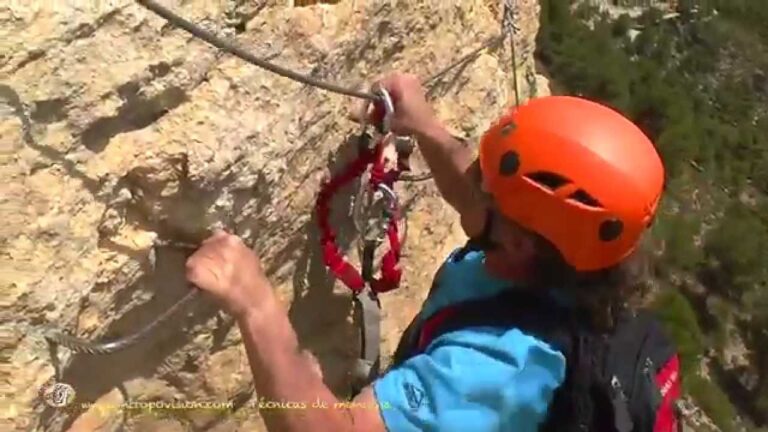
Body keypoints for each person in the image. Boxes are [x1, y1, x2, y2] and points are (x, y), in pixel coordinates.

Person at [185, 72, 665, 432]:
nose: (474, 181)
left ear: (519, 242)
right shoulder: (574, 253)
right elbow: (478, 194)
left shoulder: (499, 368)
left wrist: (257, 307)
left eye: (488, 184)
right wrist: (427, 128)